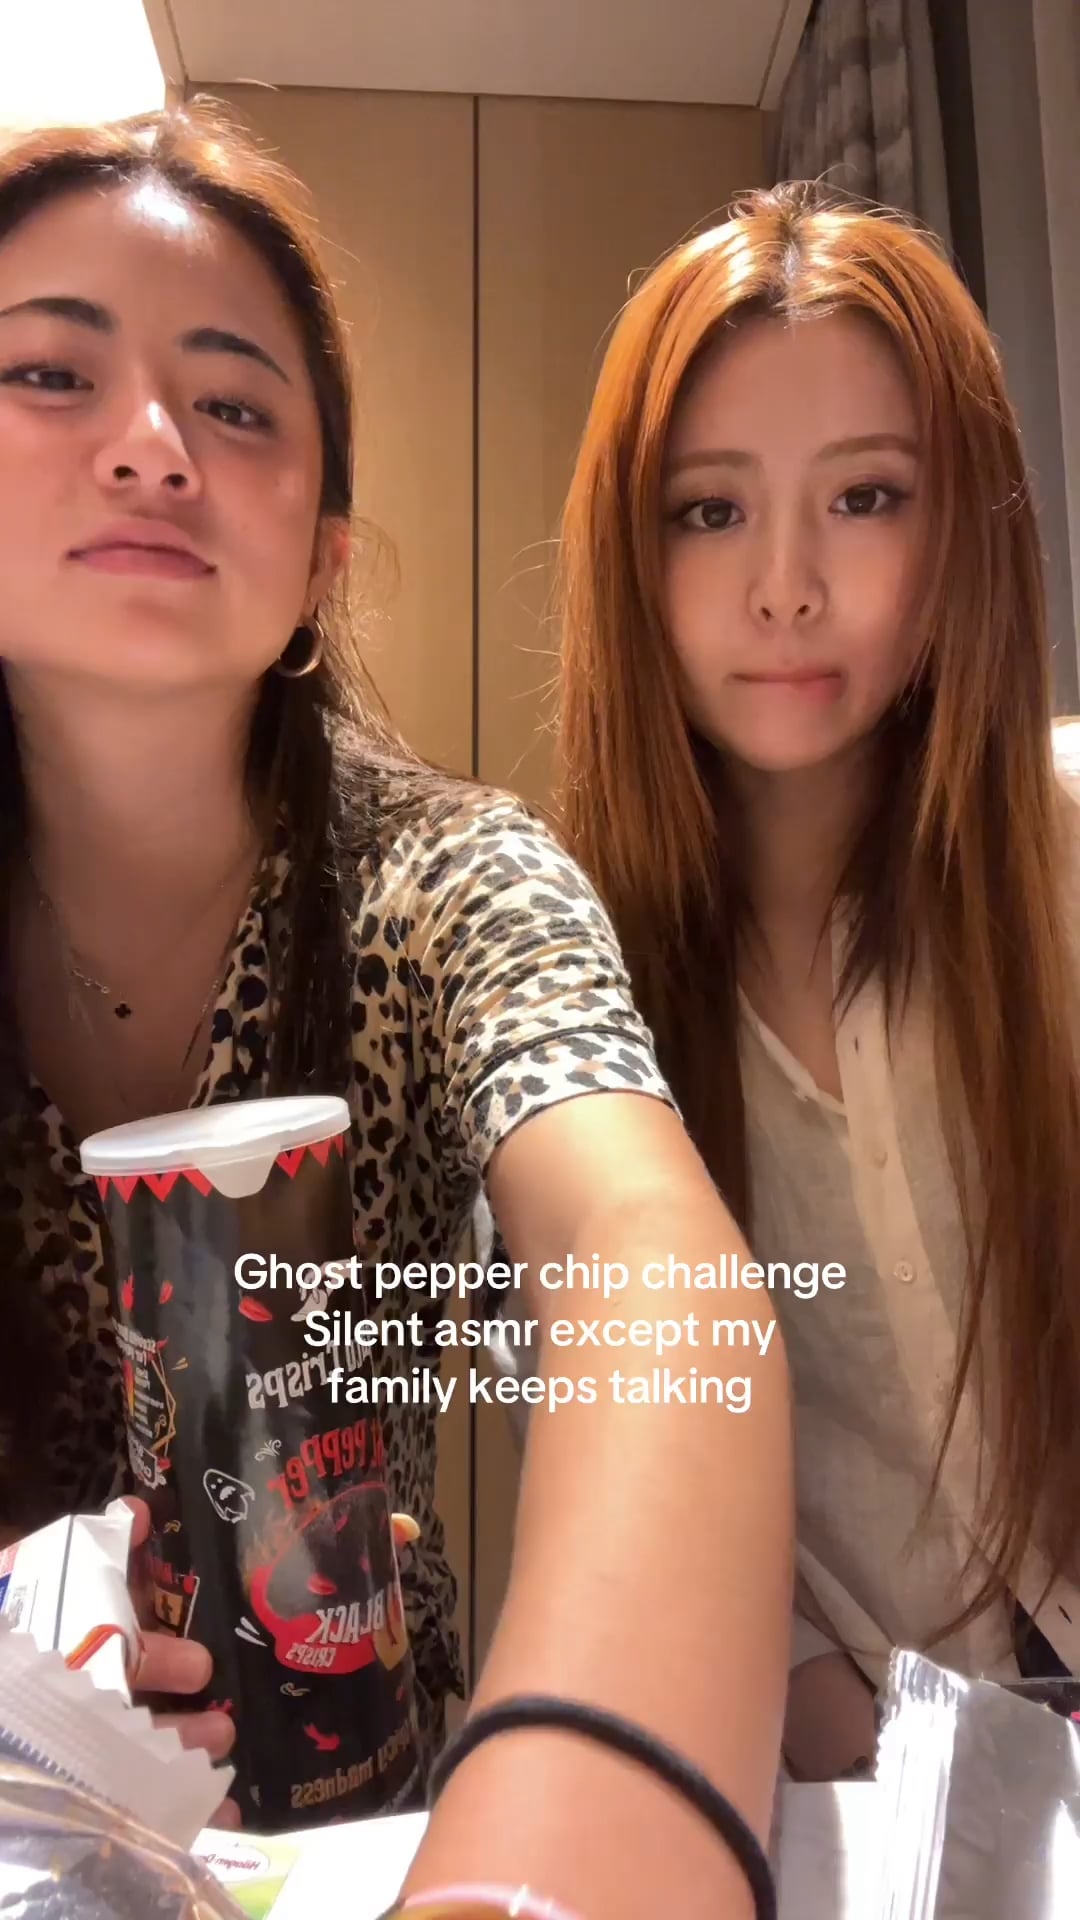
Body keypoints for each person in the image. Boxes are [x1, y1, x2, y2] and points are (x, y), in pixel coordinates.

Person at [0, 103, 791, 1916]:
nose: (147, 446)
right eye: (47, 374)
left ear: (324, 561)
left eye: (233, 405)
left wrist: (551, 1856)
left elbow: (652, 1273)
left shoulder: (448, 882)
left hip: (371, 1821)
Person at [556, 182, 1080, 1783]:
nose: (785, 584)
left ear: (964, 526)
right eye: (709, 511)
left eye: (865, 497)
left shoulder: (1061, 855)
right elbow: (633, 1463)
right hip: (862, 1789)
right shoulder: (571, 975)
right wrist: (888, 1761)